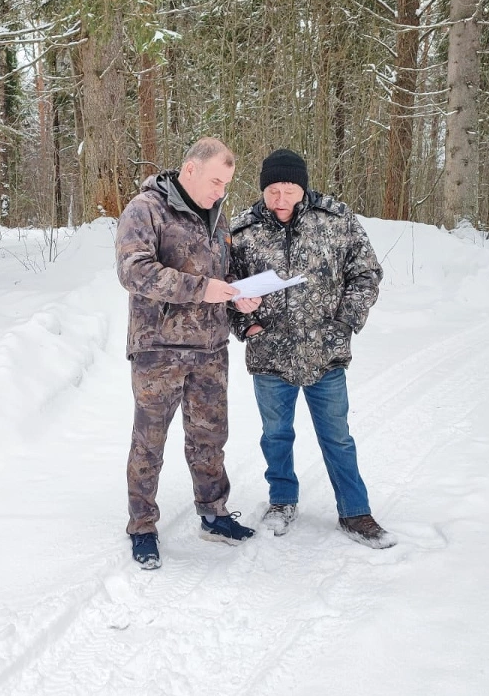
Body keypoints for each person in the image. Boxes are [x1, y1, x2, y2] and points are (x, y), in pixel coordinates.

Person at [228, 148, 396, 548]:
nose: (280, 199)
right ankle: (282, 500)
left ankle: (355, 511)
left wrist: (345, 323)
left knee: (337, 436)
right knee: (275, 435)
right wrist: (247, 322)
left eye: (289, 189)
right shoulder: (242, 230)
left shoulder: (336, 219)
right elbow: (226, 288)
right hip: (269, 352)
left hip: (326, 352)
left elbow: (366, 273)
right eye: (272, 190)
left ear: (303, 187)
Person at [115, 137, 258, 570]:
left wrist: (238, 296)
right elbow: (134, 271)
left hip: (210, 348)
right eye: (216, 181)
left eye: (227, 184)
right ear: (190, 169)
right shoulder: (146, 209)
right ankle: (142, 526)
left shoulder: (218, 216)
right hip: (159, 349)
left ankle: (214, 514)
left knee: (210, 437)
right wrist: (202, 289)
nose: (221, 191)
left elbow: (223, 275)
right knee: (149, 442)